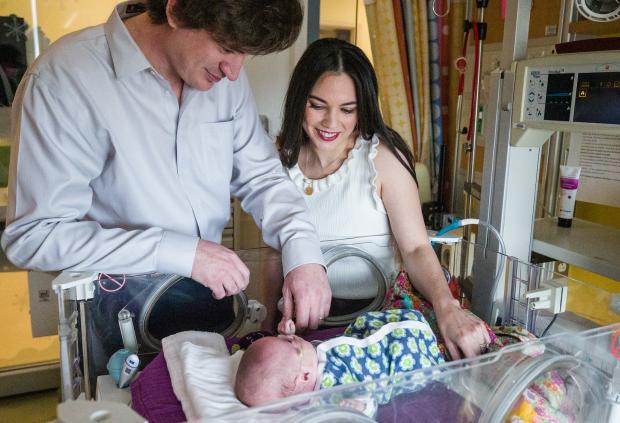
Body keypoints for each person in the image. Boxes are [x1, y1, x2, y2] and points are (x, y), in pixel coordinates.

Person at [0, 0, 330, 330]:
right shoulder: (65, 78)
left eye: (245, 54)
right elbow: (35, 236)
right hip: (117, 316)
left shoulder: (224, 83)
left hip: (213, 299)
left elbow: (262, 178)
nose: (234, 70)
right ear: (176, 10)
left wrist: (304, 254)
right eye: (227, 47)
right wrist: (182, 253)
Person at [276, 38, 490, 357]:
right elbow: (268, 256)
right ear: (298, 101)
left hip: (375, 321)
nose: (331, 123)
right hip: (300, 326)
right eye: (317, 105)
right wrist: (268, 325)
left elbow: (416, 247)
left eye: (347, 109)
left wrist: (448, 308)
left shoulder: (381, 159)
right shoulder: (277, 164)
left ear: (363, 108)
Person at [235, 309, 445, 407]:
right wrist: (358, 406)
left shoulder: (311, 363)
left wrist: (293, 331)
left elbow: (314, 348)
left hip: (394, 330)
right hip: (406, 351)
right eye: (289, 341)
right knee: (401, 373)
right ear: (305, 376)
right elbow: (366, 397)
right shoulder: (330, 389)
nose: (291, 338)